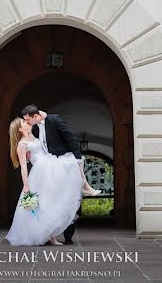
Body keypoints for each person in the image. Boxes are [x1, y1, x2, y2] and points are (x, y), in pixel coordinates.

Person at [21, 104, 101, 245]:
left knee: (67, 196)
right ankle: (49, 233)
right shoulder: (34, 127)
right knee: (54, 199)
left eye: (28, 120)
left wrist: (77, 159)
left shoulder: (54, 120)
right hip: (49, 166)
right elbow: (37, 145)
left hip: (62, 160)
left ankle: (68, 234)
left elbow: (71, 138)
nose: (27, 123)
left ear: (35, 116)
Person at [5, 117, 82, 246]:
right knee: (43, 204)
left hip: (50, 167)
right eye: (24, 122)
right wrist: (26, 185)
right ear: (20, 128)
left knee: (51, 202)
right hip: (40, 173)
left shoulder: (35, 138)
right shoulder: (22, 145)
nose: (28, 123)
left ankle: (50, 234)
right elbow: (23, 167)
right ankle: (49, 236)